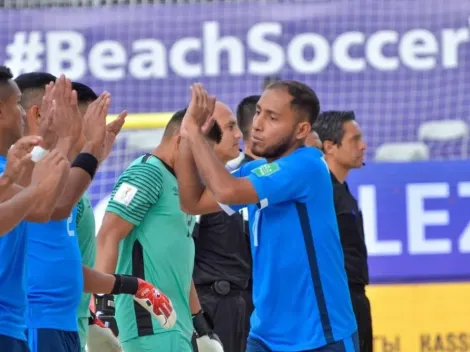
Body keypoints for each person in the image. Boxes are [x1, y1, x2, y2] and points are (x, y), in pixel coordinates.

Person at [177, 81, 359, 351]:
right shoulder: (259, 170)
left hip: (319, 336)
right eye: (259, 112)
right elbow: (192, 202)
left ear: (301, 130)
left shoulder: (306, 164)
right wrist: (188, 138)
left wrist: (194, 133)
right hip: (264, 334)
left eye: (272, 117)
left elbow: (226, 191)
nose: (257, 124)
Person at [17, 73, 175, 352]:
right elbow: (56, 214)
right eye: (86, 122)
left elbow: (60, 264)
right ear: (40, 113)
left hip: (68, 324)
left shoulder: (67, 182)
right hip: (37, 324)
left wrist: (124, 290)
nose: (95, 131)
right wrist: (92, 151)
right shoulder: (24, 174)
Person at [96, 109, 222, 352]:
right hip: (146, 325)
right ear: (180, 141)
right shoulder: (147, 172)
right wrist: (105, 307)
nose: (203, 166)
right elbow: (108, 235)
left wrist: (199, 321)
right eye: (200, 153)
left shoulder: (181, 186)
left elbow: (178, 263)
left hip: (177, 326)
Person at [0, 66, 77, 352]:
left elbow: (41, 209)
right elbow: (44, 204)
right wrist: (70, 140)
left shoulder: (8, 166)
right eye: (16, 104)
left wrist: (48, 141)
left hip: (13, 323)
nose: (22, 113)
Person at [193, 102, 253, 352]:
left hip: (241, 305)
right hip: (208, 308)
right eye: (231, 127)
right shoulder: (191, 185)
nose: (239, 134)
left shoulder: (233, 181)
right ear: (207, 130)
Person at [313, 111, 372, 352]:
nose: (363, 146)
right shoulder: (319, 193)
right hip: (336, 303)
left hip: (353, 299)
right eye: (355, 139)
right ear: (330, 147)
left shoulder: (342, 191)